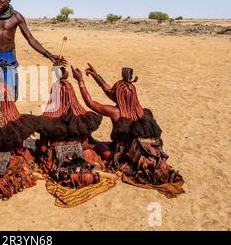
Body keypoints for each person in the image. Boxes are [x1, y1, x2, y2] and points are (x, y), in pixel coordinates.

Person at [71, 65, 185, 197]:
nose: (111, 93)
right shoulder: (143, 111)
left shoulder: (116, 112)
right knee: (107, 144)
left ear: (118, 97)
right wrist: (97, 77)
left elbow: (90, 103)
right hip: (138, 151)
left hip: (127, 158)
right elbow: (111, 92)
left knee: (98, 146)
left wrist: (80, 81)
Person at [36, 67, 104, 188]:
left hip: (56, 160)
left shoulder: (48, 120)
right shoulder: (80, 120)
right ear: (72, 96)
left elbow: (43, 148)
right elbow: (84, 145)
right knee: (92, 150)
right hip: (80, 158)